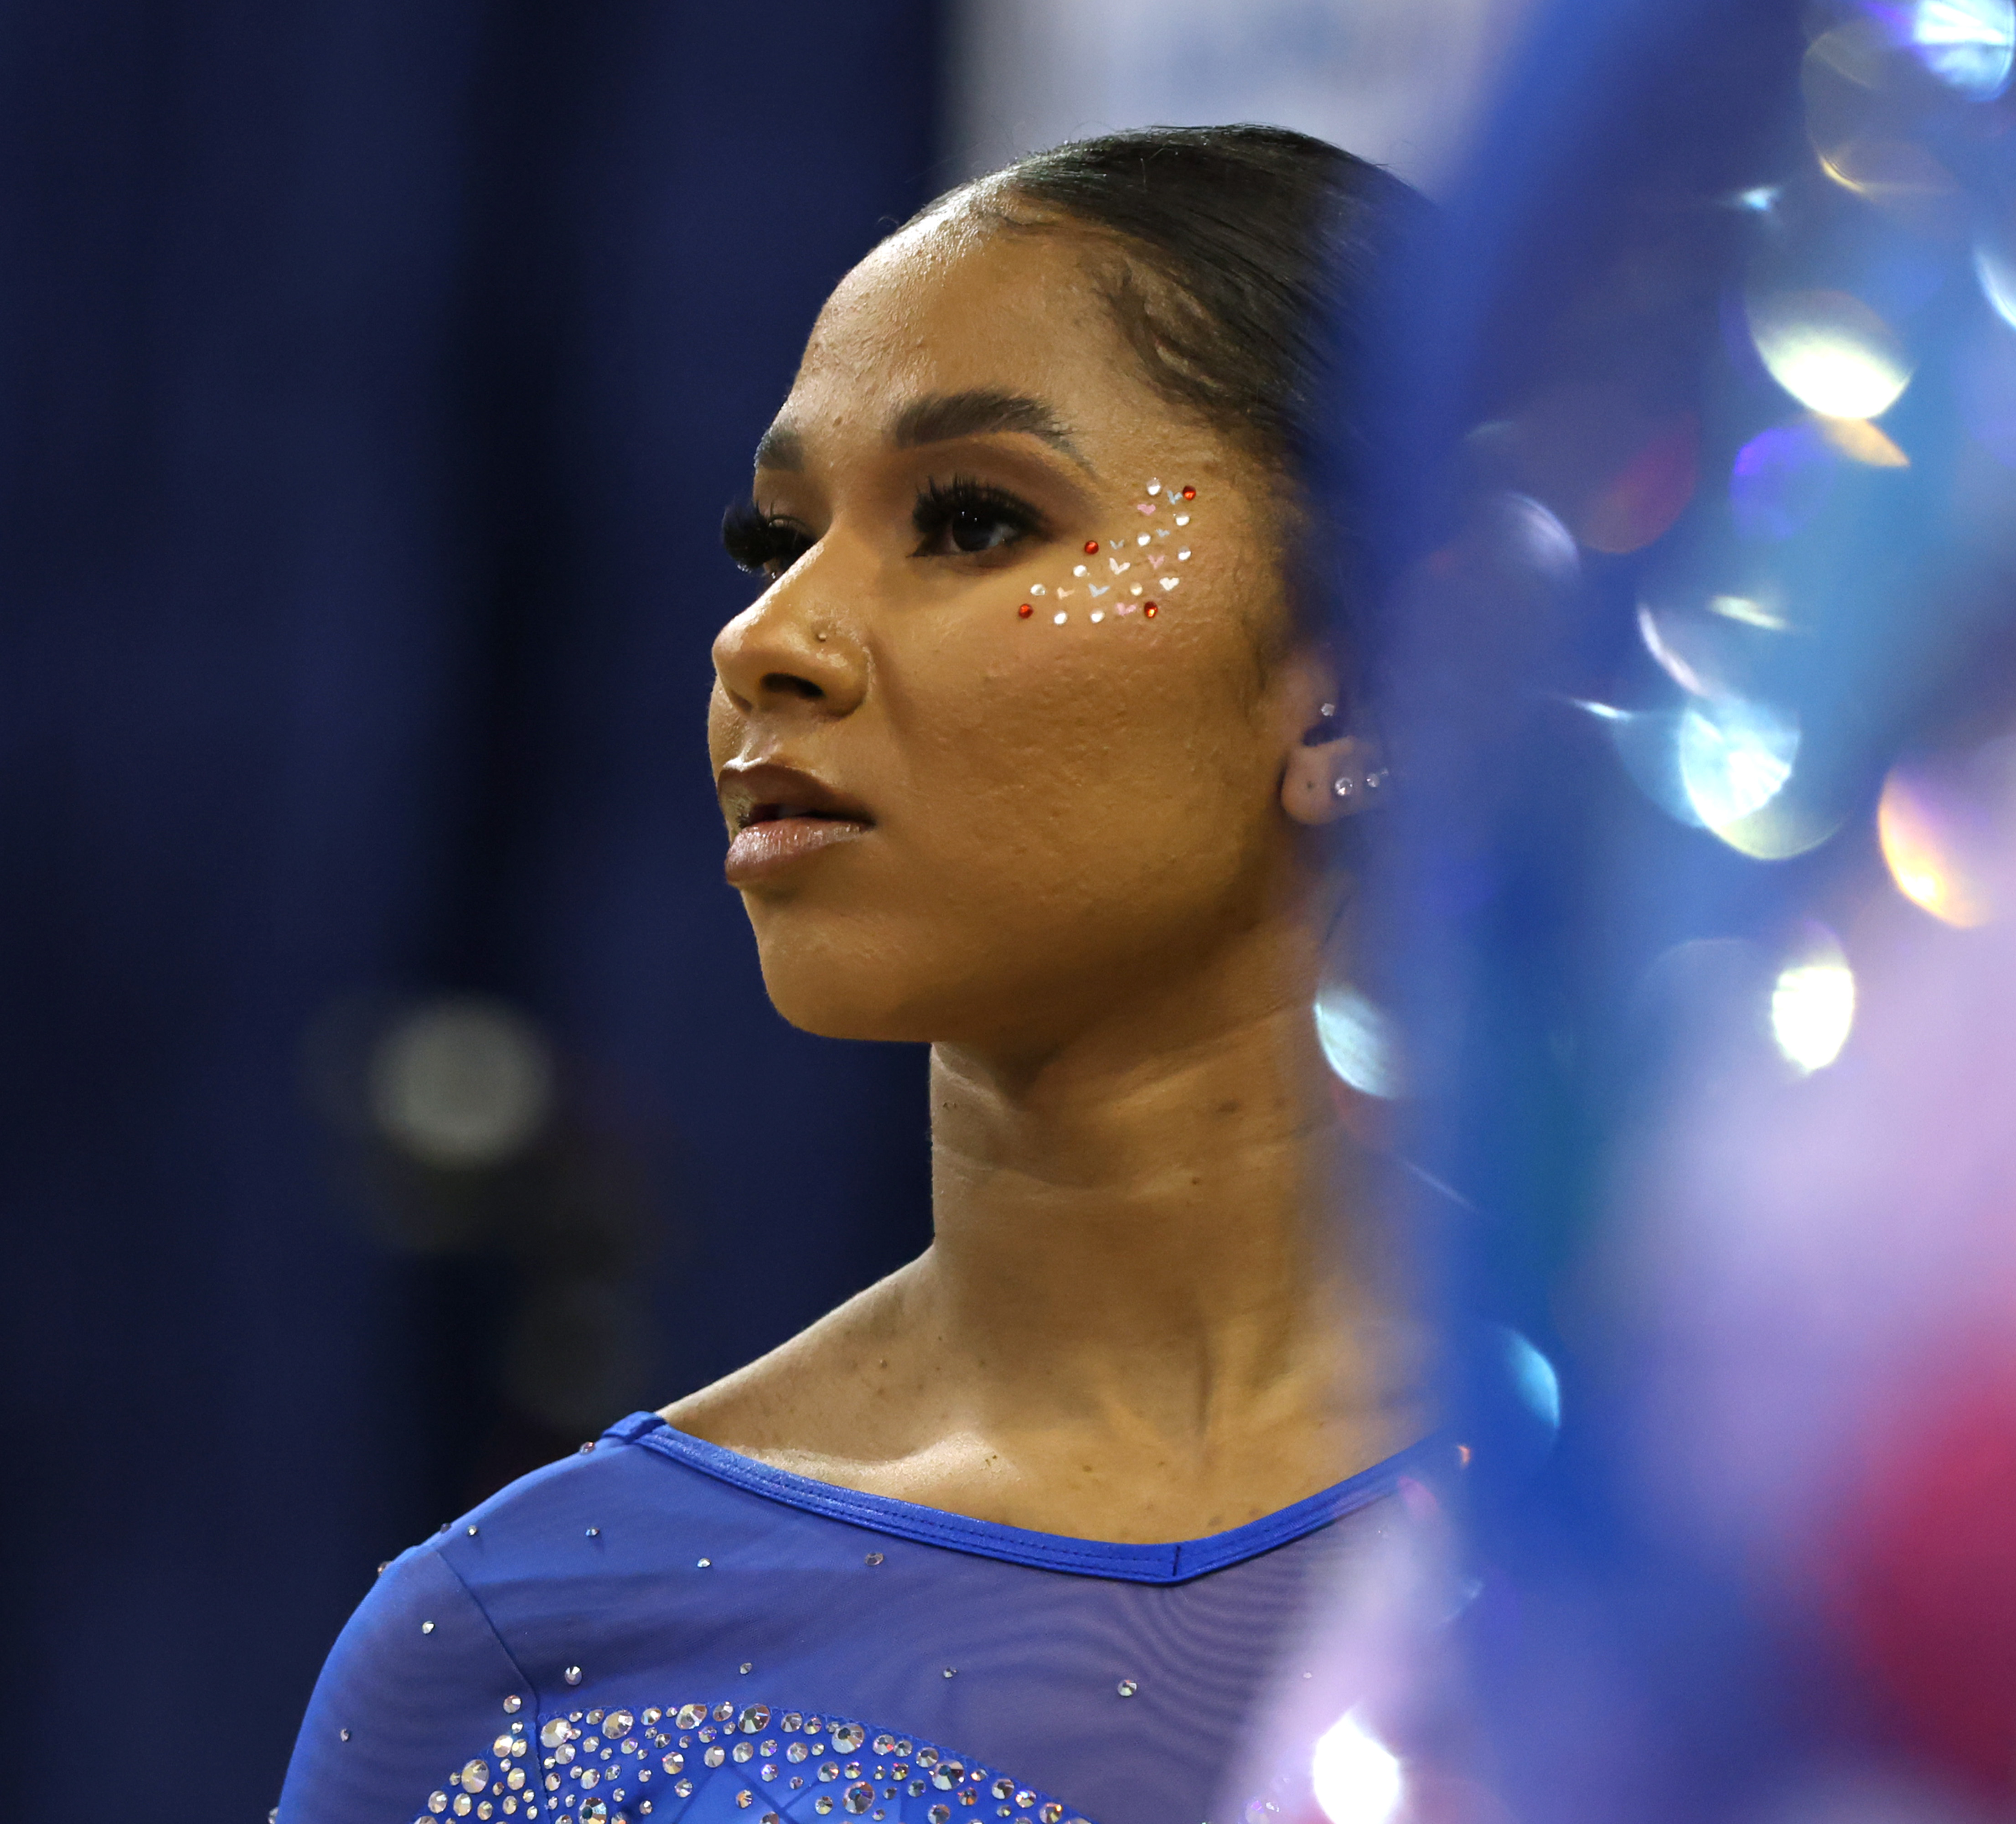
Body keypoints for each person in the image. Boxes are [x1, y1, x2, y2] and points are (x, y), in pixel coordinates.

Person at [275, 124, 1435, 1824]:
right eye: (773, 540)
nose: (769, 639)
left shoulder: (1756, 1524)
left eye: (969, 521)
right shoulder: (523, 1656)